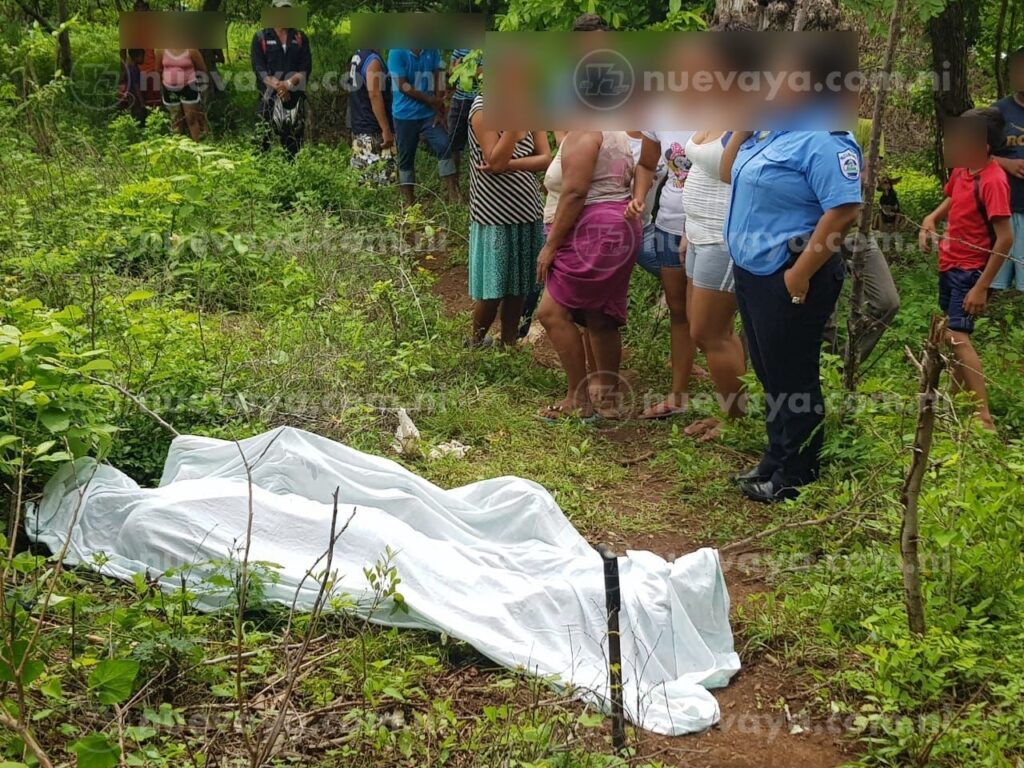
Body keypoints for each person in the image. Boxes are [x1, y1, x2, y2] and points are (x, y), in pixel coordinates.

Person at [721, 129, 862, 503]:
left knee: (792, 375)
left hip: (793, 271)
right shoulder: (768, 133)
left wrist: (799, 274)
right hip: (755, 270)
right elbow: (727, 170)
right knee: (769, 370)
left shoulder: (822, 138)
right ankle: (776, 457)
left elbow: (845, 210)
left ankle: (796, 475)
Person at [919, 108, 1013, 431]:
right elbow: (950, 201)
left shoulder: (993, 181)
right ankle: (958, 406)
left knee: (957, 336)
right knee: (951, 335)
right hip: (949, 264)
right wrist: (931, 219)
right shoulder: (962, 170)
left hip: (970, 270)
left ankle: (982, 416)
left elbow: (1005, 238)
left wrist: (981, 286)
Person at [536, 131, 639, 421]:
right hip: (611, 227)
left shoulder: (586, 133)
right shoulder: (611, 129)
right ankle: (606, 399)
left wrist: (551, 246)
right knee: (599, 315)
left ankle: (578, 398)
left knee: (551, 313)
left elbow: (575, 192)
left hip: (591, 233)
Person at [466, 96, 551, 347]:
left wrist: (510, 165)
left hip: (527, 210)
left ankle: (509, 344)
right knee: (493, 289)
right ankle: (476, 342)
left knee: (520, 286)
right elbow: (495, 160)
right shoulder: (482, 109)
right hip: (493, 213)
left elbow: (545, 158)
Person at [678, 130, 746, 441]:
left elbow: (737, 172)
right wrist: (686, 229)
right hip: (697, 231)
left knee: (710, 332)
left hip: (723, 236)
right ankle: (730, 408)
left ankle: (737, 420)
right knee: (707, 330)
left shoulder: (753, 115)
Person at [630, 130, 698, 419]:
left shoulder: (727, 111)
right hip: (668, 223)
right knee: (678, 309)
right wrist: (639, 197)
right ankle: (678, 395)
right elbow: (646, 164)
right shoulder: (659, 114)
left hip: (710, 228)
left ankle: (731, 405)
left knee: (712, 317)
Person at [387, 47, 459, 206]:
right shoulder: (396, 52)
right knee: (406, 157)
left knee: (444, 145)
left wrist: (440, 108)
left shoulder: (432, 49)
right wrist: (430, 100)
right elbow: (402, 85)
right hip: (404, 115)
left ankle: (452, 195)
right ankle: (409, 202)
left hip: (428, 114)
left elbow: (439, 76)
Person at [251, 0, 312, 157]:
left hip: (294, 98)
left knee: (293, 144)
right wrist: (278, 86)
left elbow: (305, 69)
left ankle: (291, 174)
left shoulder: (300, 38)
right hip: (268, 98)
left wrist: (288, 84)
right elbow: (259, 70)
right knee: (261, 141)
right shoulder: (260, 37)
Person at [992, 47, 1024, 293]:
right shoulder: (998, 111)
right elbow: (971, 156)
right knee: (991, 283)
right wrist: (1007, 164)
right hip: (1003, 209)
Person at [348, 47, 396, 185]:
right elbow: (374, 95)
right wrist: (386, 130)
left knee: (363, 182)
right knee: (385, 182)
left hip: (360, 128)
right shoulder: (373, 61)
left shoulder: (358, 56)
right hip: (374, 132)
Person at [626, 131, 666, 278]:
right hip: (611, 229)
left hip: (644, 226)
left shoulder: (663, 133)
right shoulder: (609, 136)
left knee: (677, 278)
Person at [155, 46, 208, 141]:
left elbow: (202, 69)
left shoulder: (192, 50)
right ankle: (178, 148)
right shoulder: (161, 49)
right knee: (176, 120)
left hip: (189, 87)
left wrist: (203, 88)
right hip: (169, 88)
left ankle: (197, 147)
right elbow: (158, 69)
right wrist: (159, 89)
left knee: (191, 118)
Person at [448, 48, 480, 183]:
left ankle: (479, 181)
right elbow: (451, 71)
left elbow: (482, 73)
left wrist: (461, 68)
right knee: (453, 144)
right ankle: (455, 185)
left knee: (481, 144)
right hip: (459, 101)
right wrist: (463, 69)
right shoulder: (459, 48)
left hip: (479, 101)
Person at [118, 48, 149, 125]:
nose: (144, 59)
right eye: (142, 56)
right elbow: (136, 86)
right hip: (136, 98)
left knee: (134, 113)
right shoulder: (134, 69)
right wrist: (141, 101)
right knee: (140, 115)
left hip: (131, 97)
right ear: (136, 57)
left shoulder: (129, 68)